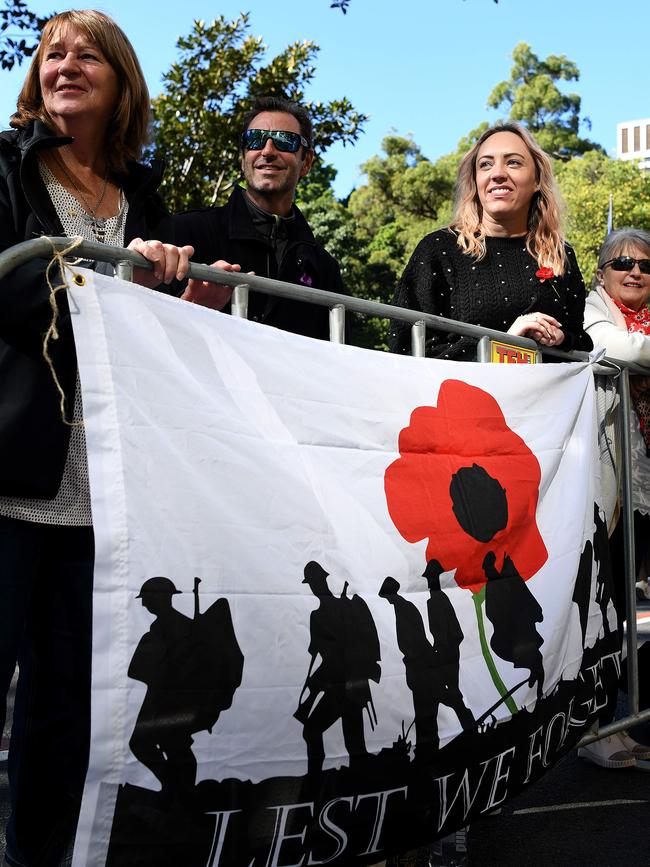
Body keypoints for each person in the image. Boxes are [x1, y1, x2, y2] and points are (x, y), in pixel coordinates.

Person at [0, 10, 232, 865]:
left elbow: (150, 341)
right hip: (11, 478)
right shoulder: (5, 165)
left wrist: (185, 306)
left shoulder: (149, 197)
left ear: (120, 77)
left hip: (103, 497)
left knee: (64, 713)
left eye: (86, 54)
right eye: (51, 52)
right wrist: (110, 282)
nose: (65, 64)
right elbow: (13, 290)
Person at [389, 122, 592, 359]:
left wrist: (561, 338)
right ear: (475, 181)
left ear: (537, 180)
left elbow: (581, 344)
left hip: (544, 396)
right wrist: (503, 345)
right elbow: (406, 346)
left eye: (513, 162)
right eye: (485, 165)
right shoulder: (437, 250)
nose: (497, 174)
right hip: (465, 394)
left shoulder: (560, 254)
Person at [172, 95, 346, 340]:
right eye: (254, 140)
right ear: (243, 157)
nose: (267, 151)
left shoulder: (324, 269)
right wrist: (189, 306)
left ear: (306, 162)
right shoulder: (187, 232)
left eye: (285, 141)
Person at [579, 227, 650, 770]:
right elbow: (621, 349)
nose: (634, 271)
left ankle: (623, 723)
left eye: (646, 265)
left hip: (643, 479)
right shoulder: (591, 307)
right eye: (622, 261)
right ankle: (598, 727)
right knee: (605, 608)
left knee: (627, 609)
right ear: (603, 270)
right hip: (608, 477)